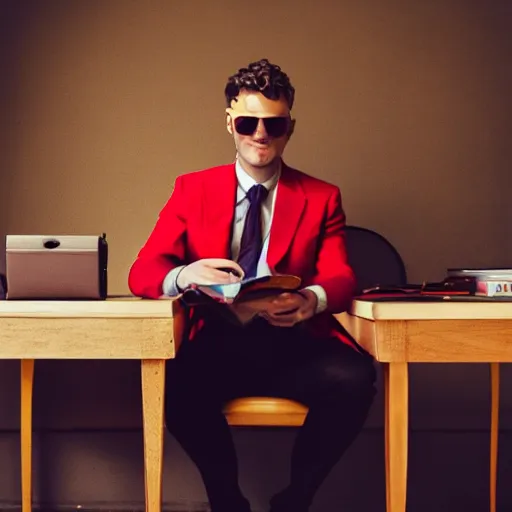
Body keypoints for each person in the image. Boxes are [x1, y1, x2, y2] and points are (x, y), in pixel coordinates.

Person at [128, 58, 376, 512]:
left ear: (290, 127)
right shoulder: (191, 189)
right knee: (175, 385)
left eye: (274, 124)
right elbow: (142, 270)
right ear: (229, 122)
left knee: (357, 379)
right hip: (220, 340)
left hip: (296, 342)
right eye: (248, 122)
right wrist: (185, 274)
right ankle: (226, 502)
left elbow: (341, 275)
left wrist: (310, 300)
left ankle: (294, 501)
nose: (260, 134)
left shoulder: (322, 196)